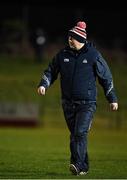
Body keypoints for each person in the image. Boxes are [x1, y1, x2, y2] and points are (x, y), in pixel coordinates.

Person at [37, 21, 118, 176]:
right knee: (76, 135)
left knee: (79, 133)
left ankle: (77, 164)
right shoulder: (62, 55)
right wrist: (44, 84)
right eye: (68, 37)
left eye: (72, 38)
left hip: (87, 104)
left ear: (80, 39)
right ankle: (84, 166)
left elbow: (106, 77)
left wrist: (112, 98)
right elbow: (50, 71)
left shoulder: (94, 55)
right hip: (67, 104)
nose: (69, 40)